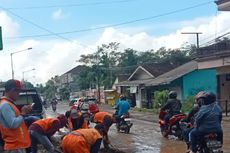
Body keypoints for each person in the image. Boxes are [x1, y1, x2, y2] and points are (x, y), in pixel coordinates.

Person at [0, 79, 32, 153]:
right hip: (14, 147)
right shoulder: (5, 105)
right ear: (11, 90)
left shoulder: (9, 104)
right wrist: (23, 113)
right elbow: (13, 124)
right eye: (17, 91)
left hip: (17, 146)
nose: (19, 93)